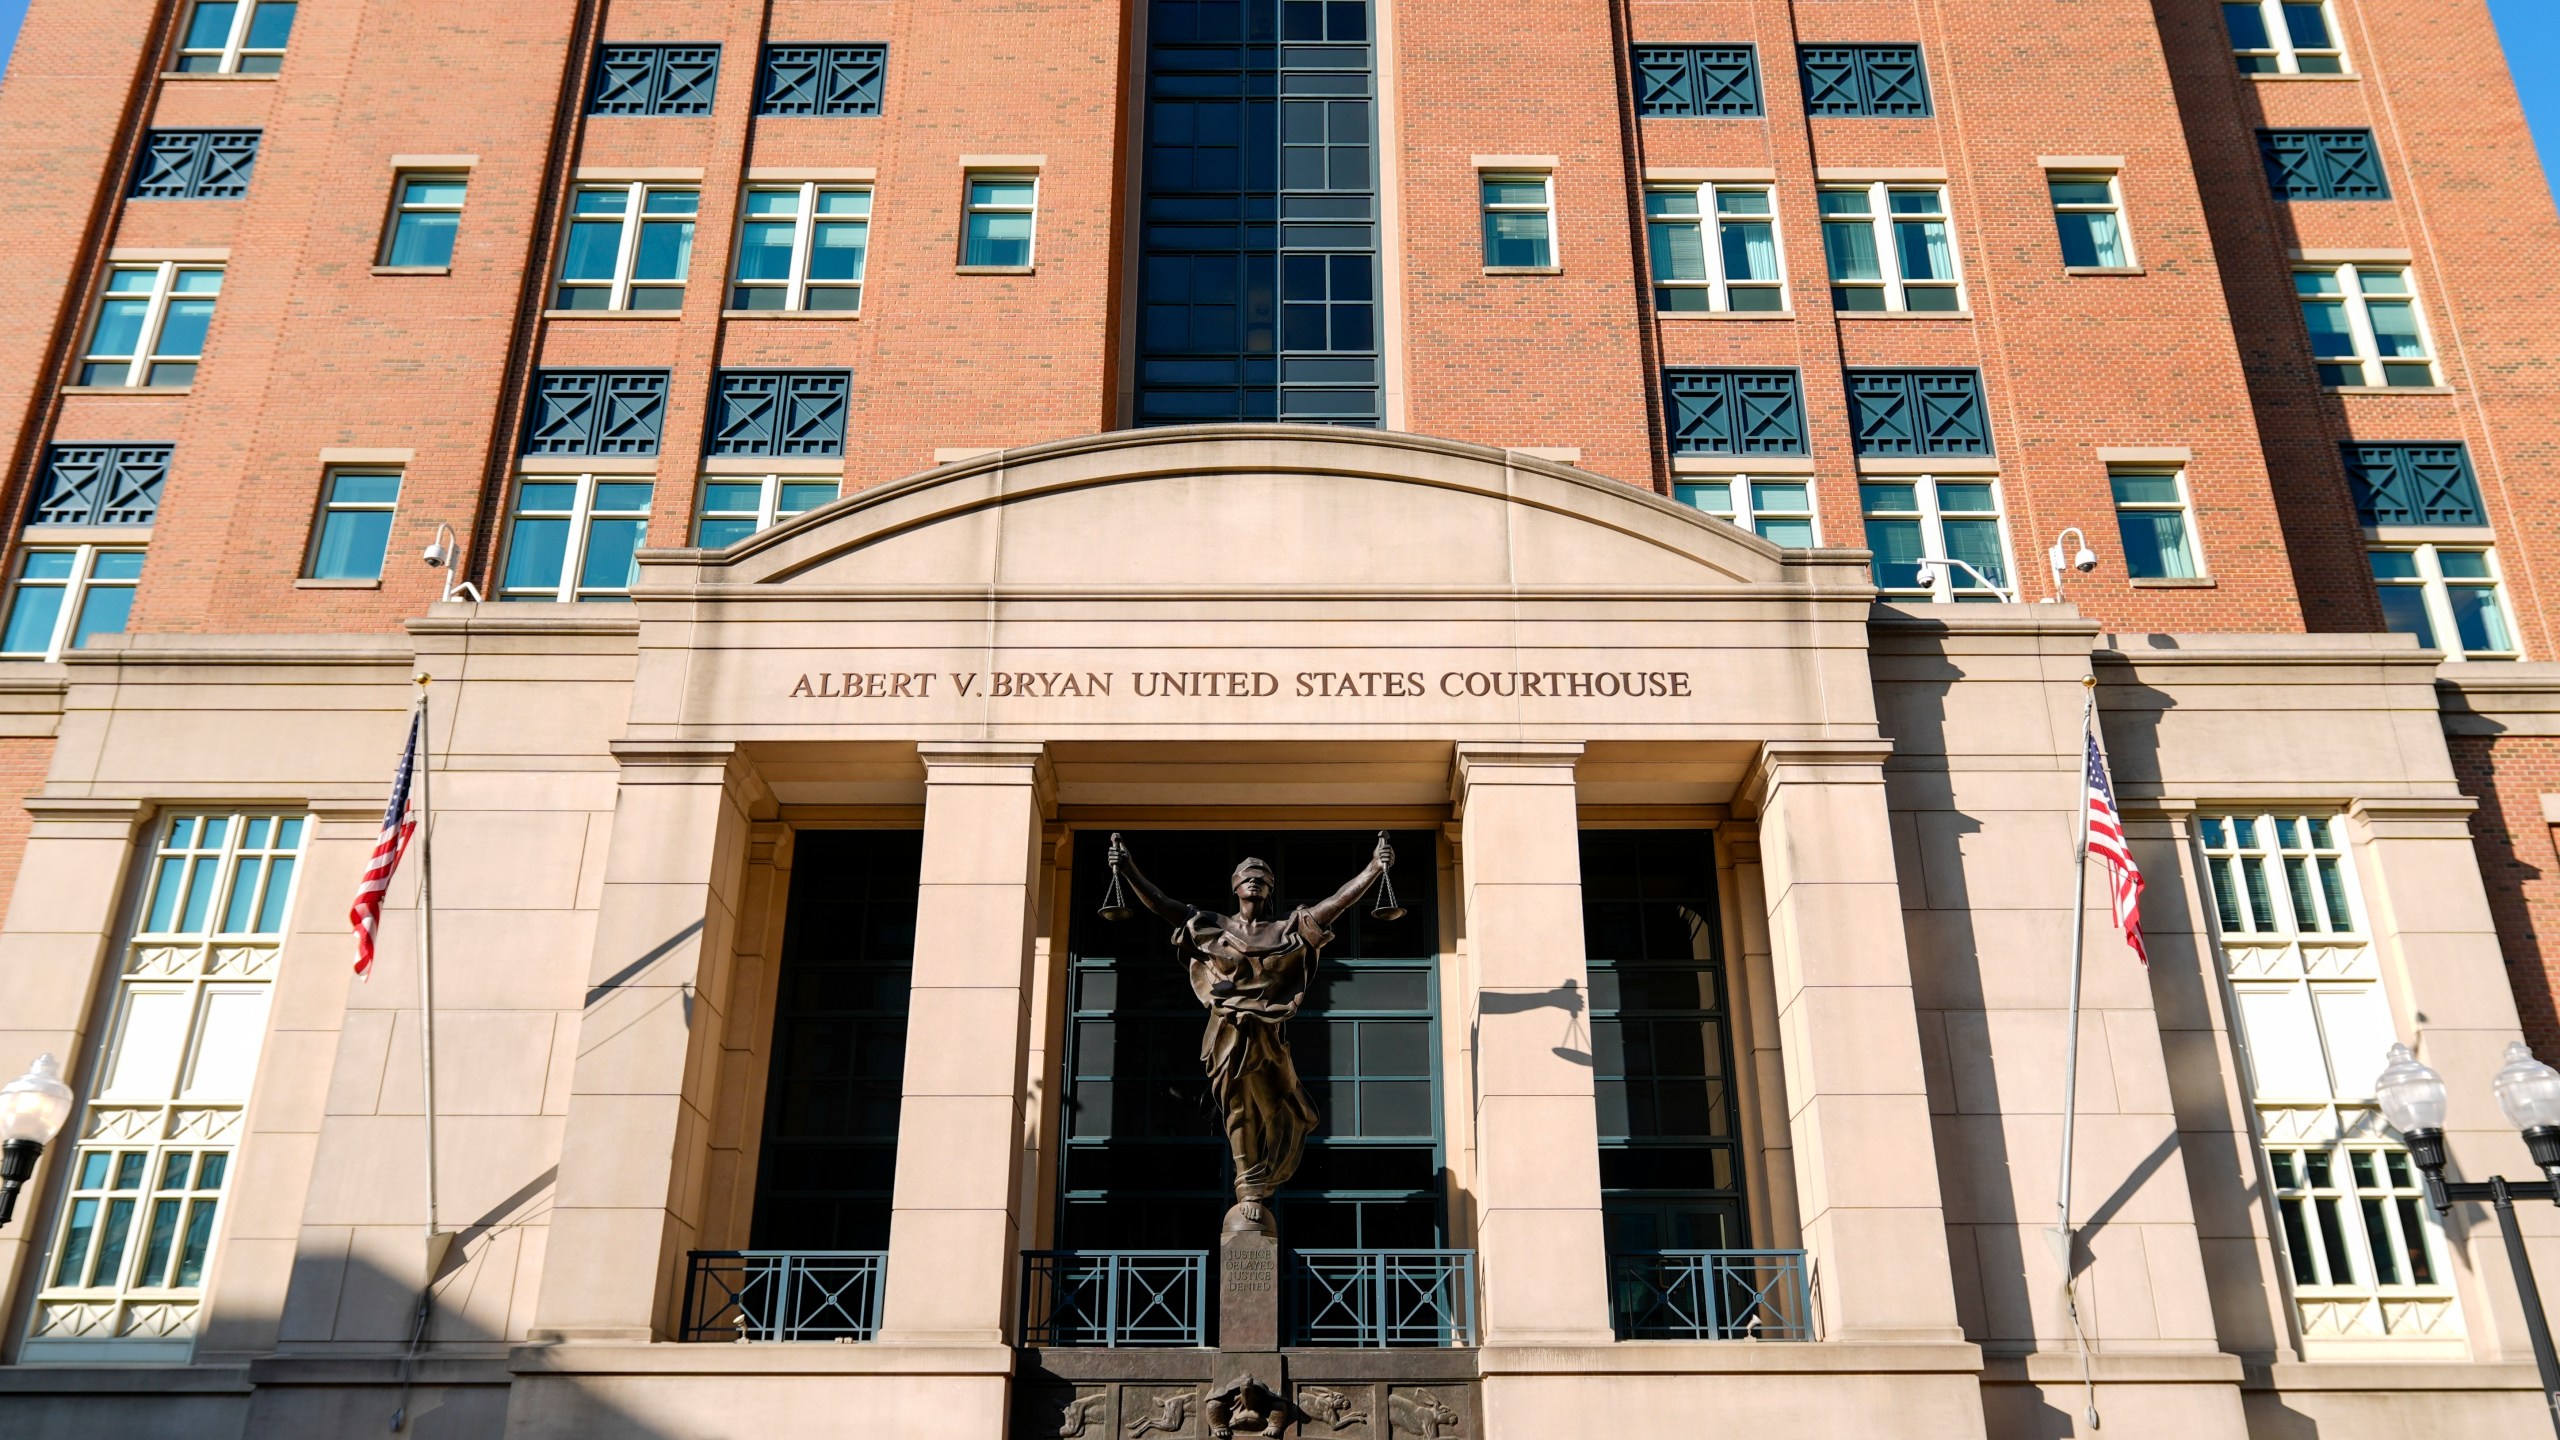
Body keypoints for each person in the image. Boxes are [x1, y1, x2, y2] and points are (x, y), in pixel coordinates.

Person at [1107, 833, 1394, 1234]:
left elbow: (1334, 904)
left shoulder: (1287, 930)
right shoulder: (1214, 927)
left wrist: (1374, 870)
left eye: (1262, 876)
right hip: (1228, 1035)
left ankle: (1260, 1181)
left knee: (1280, 1110)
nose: (1254, 880)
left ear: (1270, 888)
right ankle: (1250, 1190)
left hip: (1269, 1039)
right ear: (1235, 886)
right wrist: (1128, 867)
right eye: (1247, 875)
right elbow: (1163, 904)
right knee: (1239, 1109)